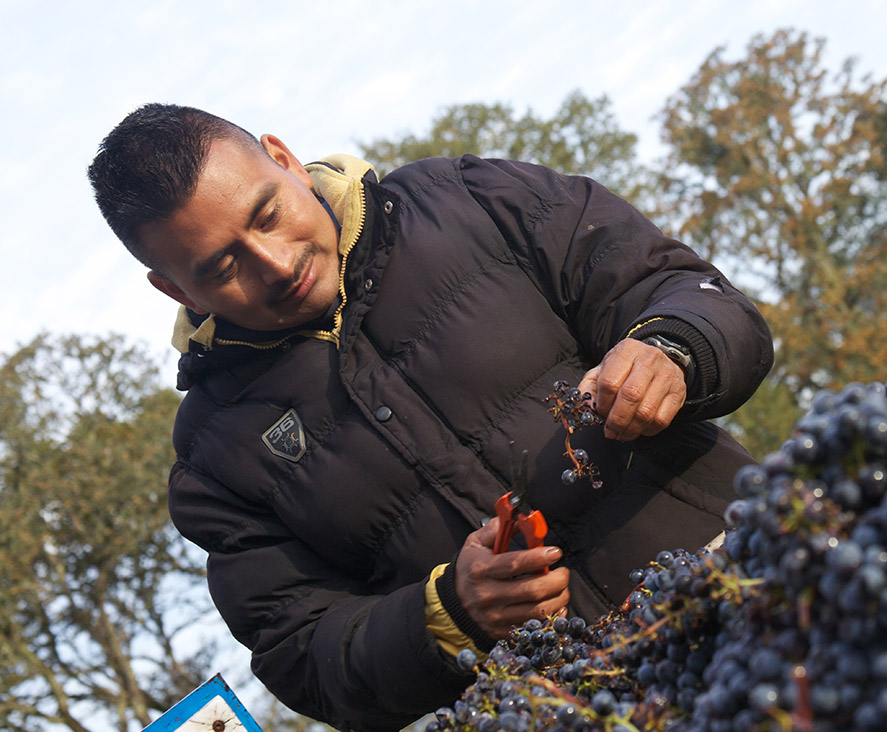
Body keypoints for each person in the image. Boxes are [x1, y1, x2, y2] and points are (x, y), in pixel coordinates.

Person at [88, 103, 772, 731]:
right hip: (576, 712)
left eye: (266, 214)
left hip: (765, 593)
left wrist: (673, 347)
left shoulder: (477, 199)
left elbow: (688, 293)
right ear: (173, 287)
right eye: (223, 264)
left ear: (284, 159)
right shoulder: (213, 462)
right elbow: (301, 655)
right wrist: (446, 616)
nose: (275, 263)